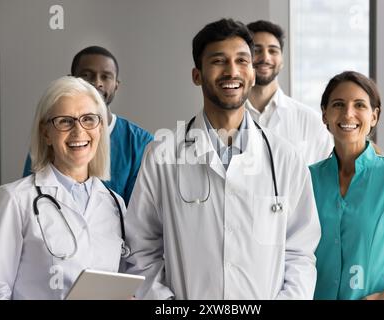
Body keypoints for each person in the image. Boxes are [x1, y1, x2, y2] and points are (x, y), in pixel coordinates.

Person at [125, 18, 320, 300]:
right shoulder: (162, 156)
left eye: (242, 61)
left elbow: (300, 252)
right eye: (218, 61)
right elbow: (141, 248)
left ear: (252, 73)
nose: (232, 71)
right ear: (197, 75)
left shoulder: (285, 158)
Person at [0, 76, 128, 299]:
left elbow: (122, 283)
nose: (79, 132)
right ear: (46, 133)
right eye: (65, 121)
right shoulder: (14, 199)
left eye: (88, 119)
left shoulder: (115, 204)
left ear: (100, 129)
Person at [310, 71, 384, 300]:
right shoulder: (307, 179)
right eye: (338, 104)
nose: (348, 113)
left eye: (359, 105)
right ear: (325, 114)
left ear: (374, 116)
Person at [23, 46, 153, 204]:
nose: (97, 83)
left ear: (116, 85)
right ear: (70, 80)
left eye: (105, 77)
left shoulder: (141, 142)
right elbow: (30, 193)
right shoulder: (52, 132)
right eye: (86, 75)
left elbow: (141, 212)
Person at [246, 20, 333, 165]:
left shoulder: (311, 121)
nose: (265, 57)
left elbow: (325, 178)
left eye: (273, 50)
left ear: (282, 60)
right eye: (256, 50)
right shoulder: (224, 118)